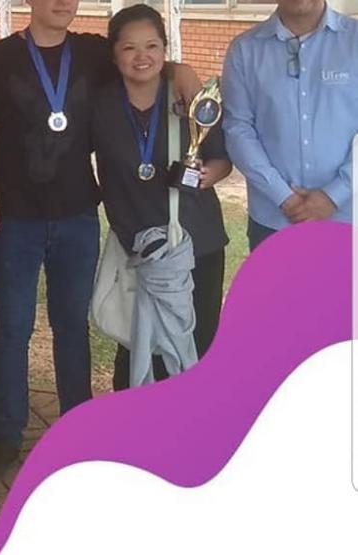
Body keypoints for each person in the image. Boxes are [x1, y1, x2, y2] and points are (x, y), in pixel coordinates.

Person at [0, 0, 202, 482]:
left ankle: (76, 427)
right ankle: (7, 434)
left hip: (78, 215)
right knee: (12, 331)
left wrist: (181, 69)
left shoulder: (94, 53)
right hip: (15, 221)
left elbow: (144, 58)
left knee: (71, 327)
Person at [93, 4, 231, 390]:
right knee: (136, 347)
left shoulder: (190, 99)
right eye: (130, 48)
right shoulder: (99, 105)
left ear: (165, 49)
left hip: (195, 244)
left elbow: (222, 159)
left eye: (152, 46)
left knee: (195, 347)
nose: (142, 57)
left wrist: (206, 176)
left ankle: (189, 439)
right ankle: (132, 439)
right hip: (138, 248)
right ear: (114, 54)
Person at [222, 0, 356, 251]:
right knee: (278, 292)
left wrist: (334, 195)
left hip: (350, 216)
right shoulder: (244, 50)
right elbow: (238, 129)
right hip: (273, 220)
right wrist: (283, 198)